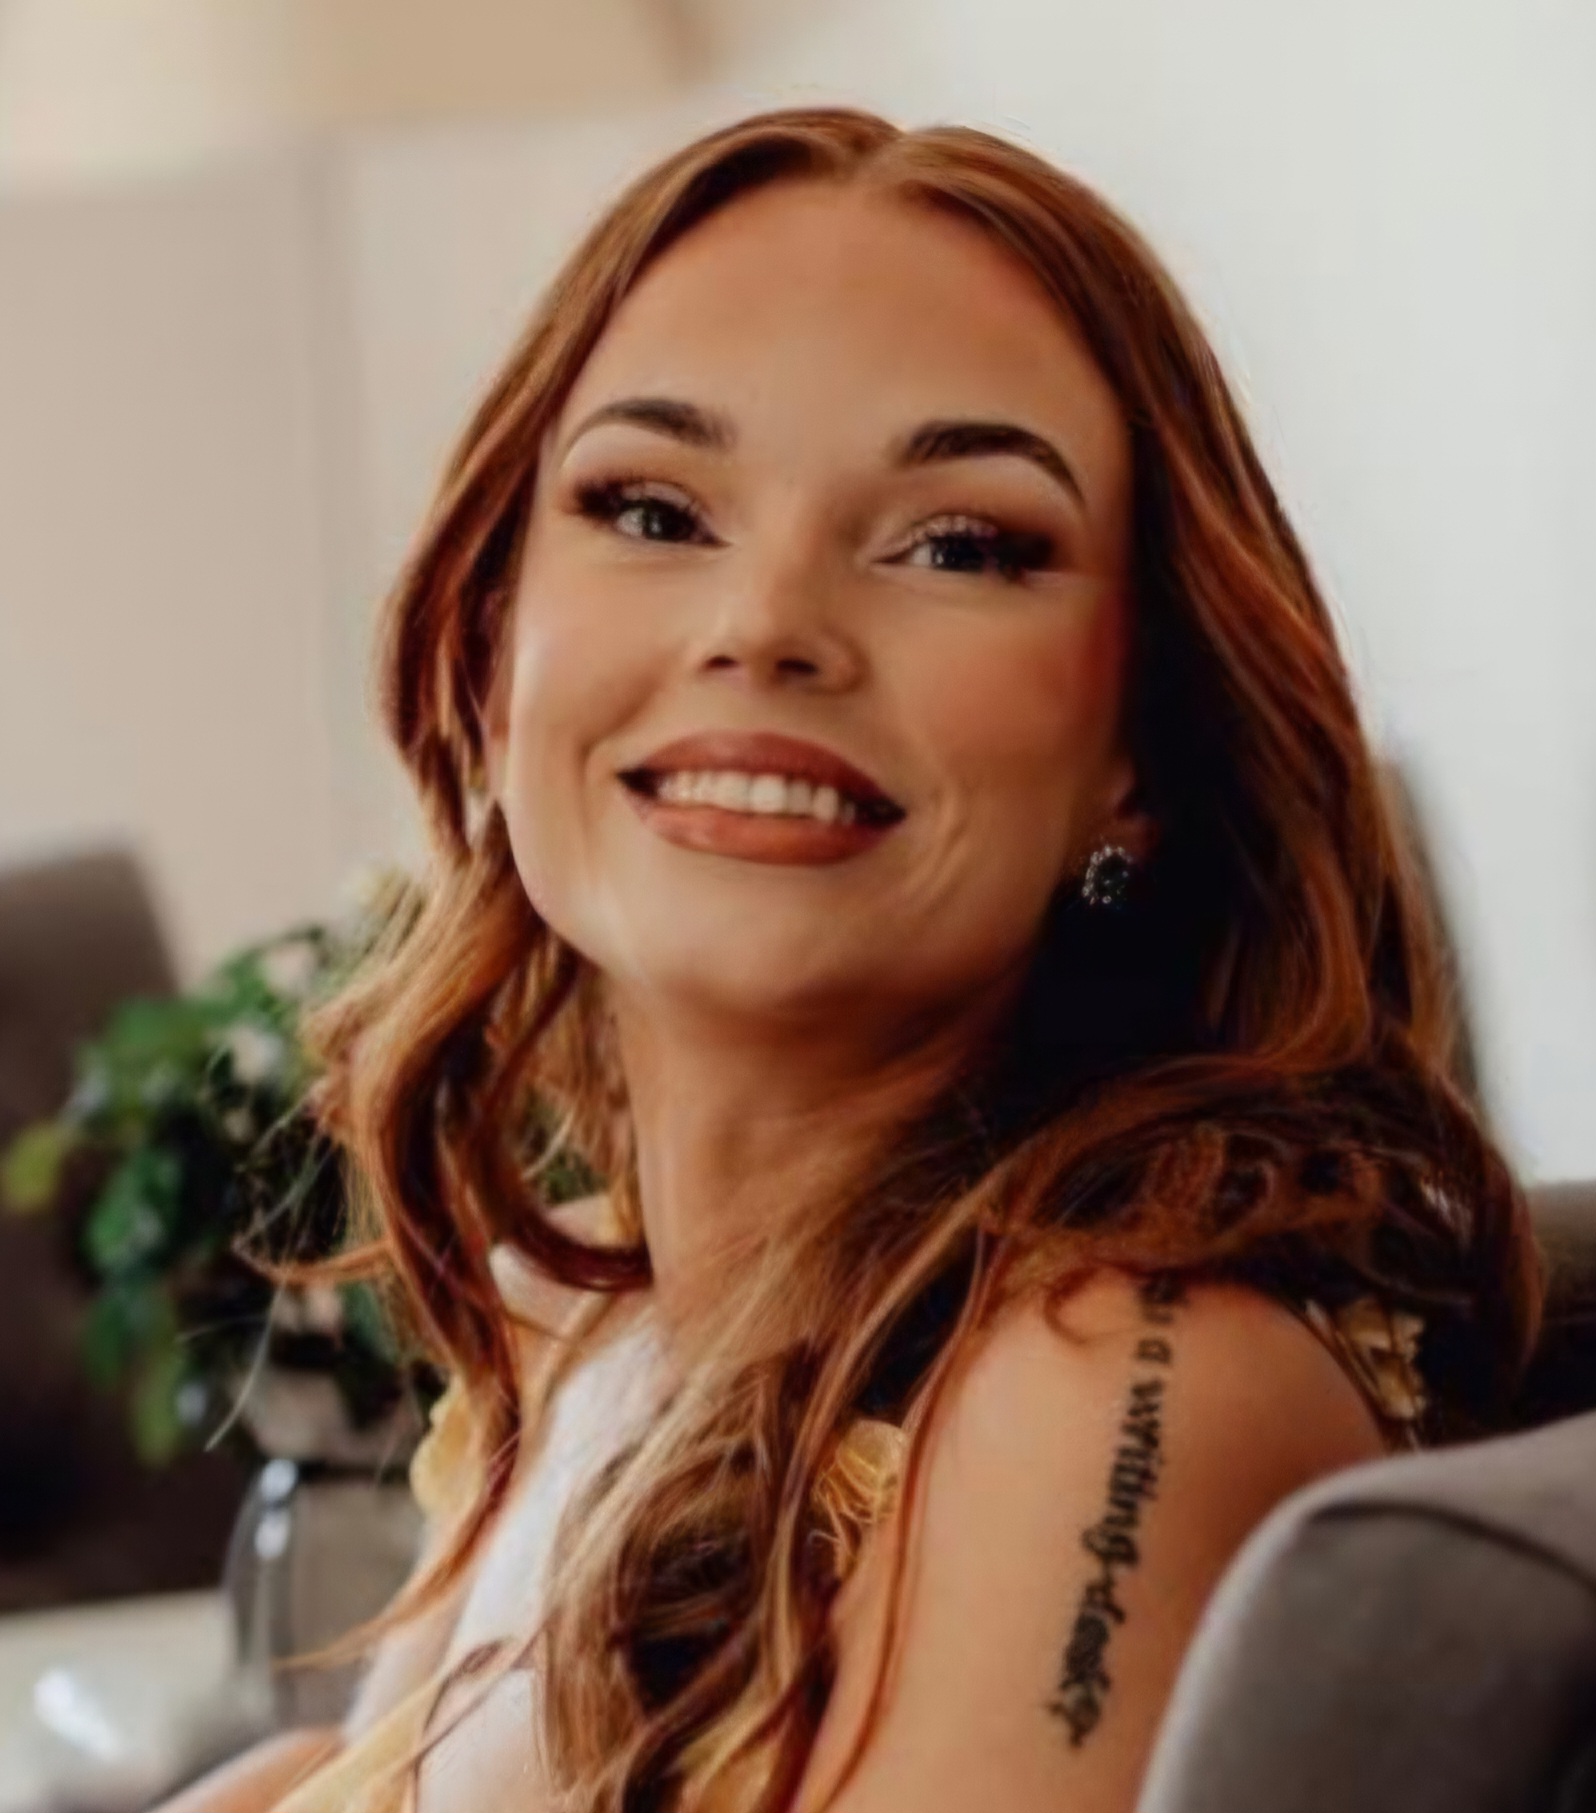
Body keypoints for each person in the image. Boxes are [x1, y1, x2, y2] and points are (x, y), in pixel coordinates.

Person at [156, 106, 1542, 1813]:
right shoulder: (579, 1325)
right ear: (495, 642)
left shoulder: (1111, 1379)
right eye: (654, 508)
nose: (768, 624)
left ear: (1139, 750)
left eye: (959, 545)